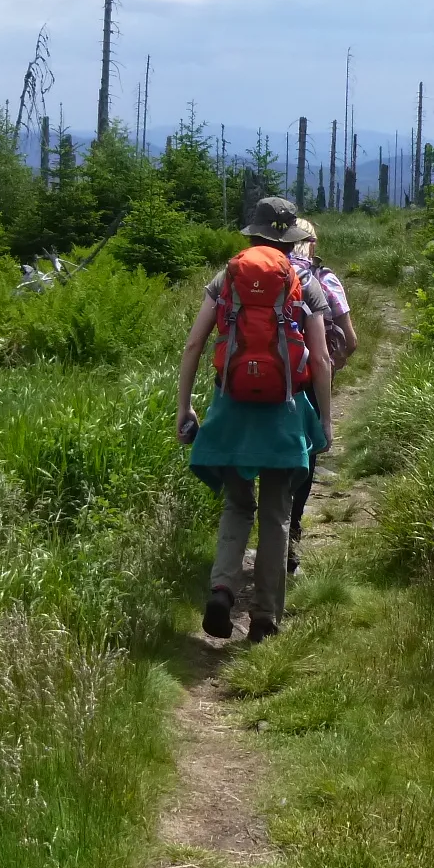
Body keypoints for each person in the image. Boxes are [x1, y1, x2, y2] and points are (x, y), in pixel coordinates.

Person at [176, 196, 334, 643]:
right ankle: (264, 618)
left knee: (237, 504)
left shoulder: (228, 275)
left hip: (231, 408)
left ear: (256, 231)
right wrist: (325, 421)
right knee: (277, 514)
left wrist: (184, 406)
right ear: (291, 238)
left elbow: (193, 346)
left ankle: (223, 590)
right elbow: (320, 359)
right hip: (284, 412)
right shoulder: (306, 279)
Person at [288, 221, 355, 574]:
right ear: (312, 243)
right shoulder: (323, 279)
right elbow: (352, 339)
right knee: (305, 457)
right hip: (308, 383)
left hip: (253, 382)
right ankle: (291, 539)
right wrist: (332, 367)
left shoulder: (265, 273)